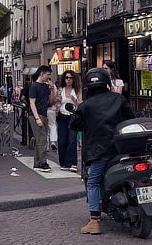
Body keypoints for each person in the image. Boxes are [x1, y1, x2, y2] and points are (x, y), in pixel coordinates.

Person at [68, 67, 135, 234]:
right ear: (106, 82)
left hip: (100, 151)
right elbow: (131, 117)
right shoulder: (119, 99)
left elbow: (73, 124)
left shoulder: (86, 106)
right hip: (122, 148)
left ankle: (94, 221)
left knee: (92, 182)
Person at [28, 65, 53, 172]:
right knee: (42, 139)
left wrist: (51, 88)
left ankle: (37, 162)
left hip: (43, 113)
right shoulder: (34, 87)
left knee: (40, 138)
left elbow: (50, 100)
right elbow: (32, 103)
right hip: (36, 115)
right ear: (42, 74)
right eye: (47, 75)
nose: (49, 77)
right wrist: (37, 118)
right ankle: (43, 162)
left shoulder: (45, 86)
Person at [57, 70, 82, 171]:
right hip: (62, 115)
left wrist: (74, 99)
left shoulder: (77, 90)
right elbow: (53, 100)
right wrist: (56, 99)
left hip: (73, 116)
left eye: (70, 78)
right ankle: (63, 163)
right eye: (66, 78)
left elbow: (80, 104)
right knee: (62, 140)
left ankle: (72, 163)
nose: (68, 80)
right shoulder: (61, 89)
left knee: (72, 140)